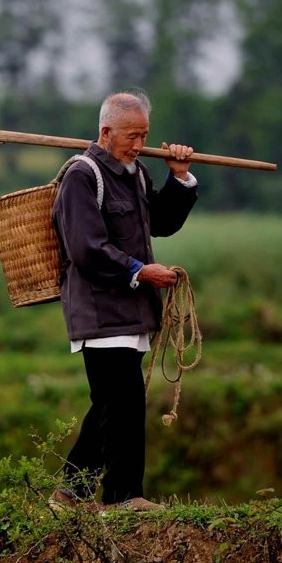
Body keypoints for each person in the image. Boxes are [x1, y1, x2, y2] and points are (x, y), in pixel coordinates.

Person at [49, 91, 197, 511]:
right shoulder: (83, 175)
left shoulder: (136, 172)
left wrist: (180, 178)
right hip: (99, 311)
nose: (138, 144)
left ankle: (70, 494)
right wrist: (139, 270)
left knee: (110, 406)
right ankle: (123, 498)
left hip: (131, 313)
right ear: (105, 132)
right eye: (131, 136)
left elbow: (162, 223)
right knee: (125, 403)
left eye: (144, 135)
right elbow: (86, 248)